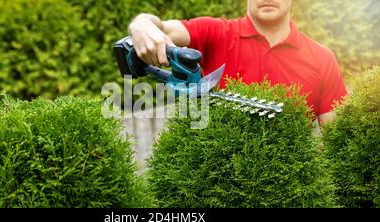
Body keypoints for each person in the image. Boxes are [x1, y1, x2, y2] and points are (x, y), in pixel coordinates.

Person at [128, 0, 347, 125]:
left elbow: (335, 143)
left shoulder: (322, 58)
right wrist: (141, 25)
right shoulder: (215, 32)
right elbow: (163, 29)